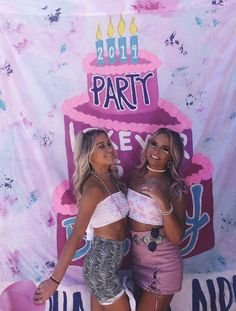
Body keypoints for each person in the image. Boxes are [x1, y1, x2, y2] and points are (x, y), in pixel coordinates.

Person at [33, 128, 135, 311]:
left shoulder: (111, 179)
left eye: (109, 144)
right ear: (89, 155)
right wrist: (54, 281)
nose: (109, 149)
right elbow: (76, 236)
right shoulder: (93, 188)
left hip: (108, 267)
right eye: (101, 146)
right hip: (100, 270)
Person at [127, 127, 187, 311]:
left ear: (172, 156)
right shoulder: (134, 176)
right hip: (139, 262)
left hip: (163, 264)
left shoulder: (174, 187)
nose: (156, 151)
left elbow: (176, 238)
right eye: (153, 144)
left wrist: (162, 202)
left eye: (165, 149)